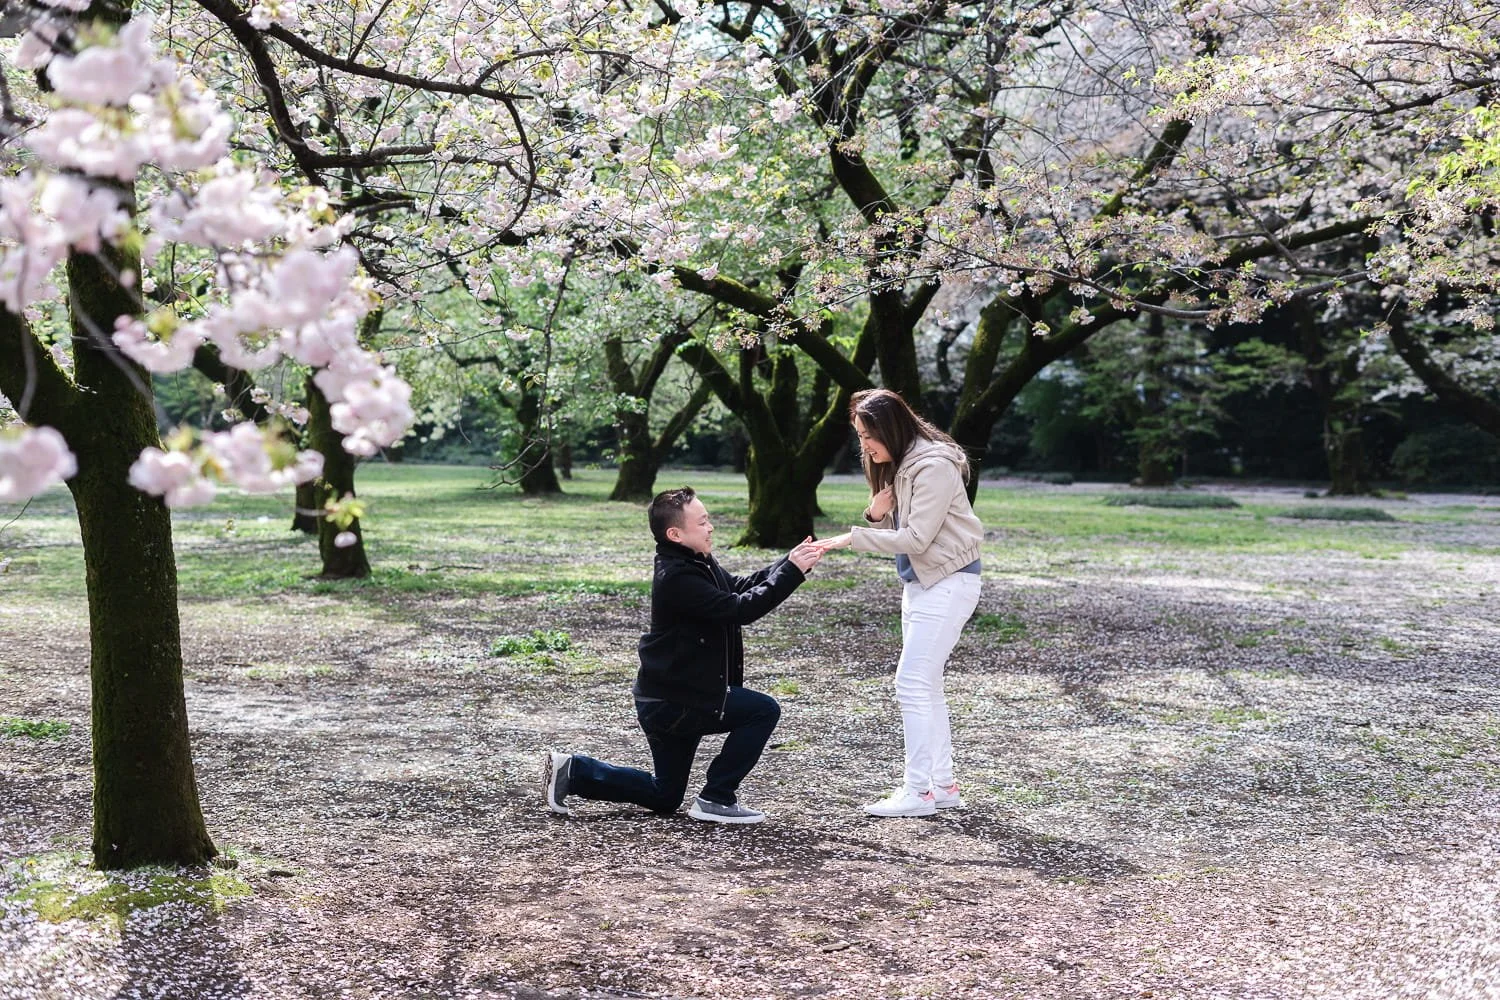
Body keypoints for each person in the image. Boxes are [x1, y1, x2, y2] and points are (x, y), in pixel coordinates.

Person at [543, 486, 823, 825]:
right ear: (675, 534)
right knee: (762, 711)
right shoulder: (677, 577)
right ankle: (717, 797)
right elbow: (739, 609)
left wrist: (789, 562)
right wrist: (790, 571)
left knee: (665, 795)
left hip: (671, 697)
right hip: (676, 702)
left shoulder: (695, 561)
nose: (711, 528)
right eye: (703, 522)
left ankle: (573, 771)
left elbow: (738, 587)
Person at [815, 388, 983, 818]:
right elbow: (903, 525)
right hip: (925, 583)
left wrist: (855, 536)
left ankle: (918, 792)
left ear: (891, 428)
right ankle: (942, 786)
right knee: (926, 685)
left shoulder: (933, 466)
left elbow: (917, 538)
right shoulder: (906, 464)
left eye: (868, 435)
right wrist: (874, 515)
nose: (864, 446)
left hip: (947, 582)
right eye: (859, 436)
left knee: (910, 684)